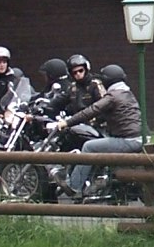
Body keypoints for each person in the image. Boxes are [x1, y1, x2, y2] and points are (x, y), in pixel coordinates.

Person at [52, 64, 142, 199]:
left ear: (108, 80)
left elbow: (92, 110)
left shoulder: (112, 96)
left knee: (89, 146)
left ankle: (74, 186)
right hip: (135, 138)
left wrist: (67, 122)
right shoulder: (126, 93)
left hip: (127, 140)